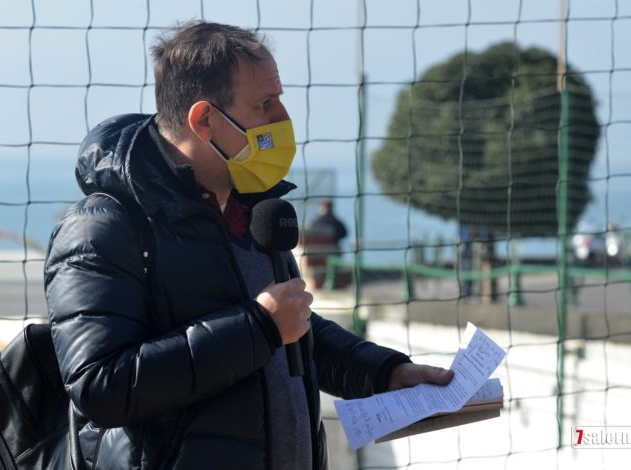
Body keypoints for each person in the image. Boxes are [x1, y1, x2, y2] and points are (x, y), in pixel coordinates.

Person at [44, 21, 453, 470]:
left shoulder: (253, 211)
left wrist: (384, 373)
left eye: (280, 99)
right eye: (264, 104)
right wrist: (257, 327)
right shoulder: (103, 227)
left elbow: (290, 327)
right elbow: (101, 385)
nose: (283, 119)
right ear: (205, 121)